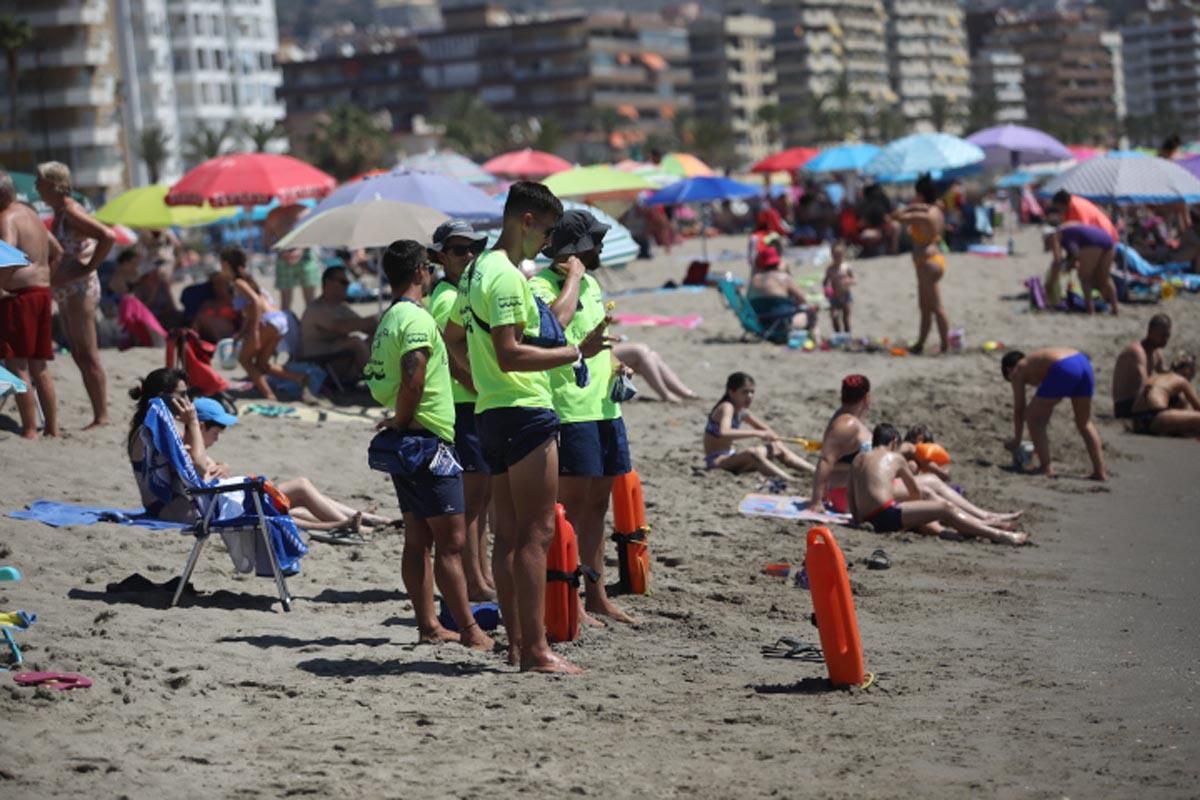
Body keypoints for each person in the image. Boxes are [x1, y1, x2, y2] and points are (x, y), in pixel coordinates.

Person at [443, 181, 608, 674]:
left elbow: (452, 336)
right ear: (527, 221)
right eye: (548, 231)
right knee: (534, 537)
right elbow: (511, 352)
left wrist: (477, 380)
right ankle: (535, 650)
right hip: (524, 411)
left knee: (509, 537)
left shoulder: (474, 271)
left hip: (491, 412)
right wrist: (576, 352)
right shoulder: (507, 276)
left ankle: (517, 645)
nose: (548, 243)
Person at [363, 240, 493, 651]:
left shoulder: (391, 317)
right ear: (421, 270)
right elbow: (413, 378)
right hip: (426, 440)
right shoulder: (415, 320)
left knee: (418, 539)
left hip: (412, 439)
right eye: (429, 266)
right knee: (451, 543)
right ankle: (471, 632)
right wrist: (403, 423)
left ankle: (429, 625)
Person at [531, 209, 636, 624]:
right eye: (594, 241)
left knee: (598, 506)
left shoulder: (592, 283)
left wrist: (616, 365)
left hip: (606, 407)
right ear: (574, 249)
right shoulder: (541, 285)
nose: (601, 247)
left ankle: (596, 592)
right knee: (569, 510)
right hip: (570, 410)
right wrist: (570, 277)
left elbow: (592, 341)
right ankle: (567, 593)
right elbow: (552, 329)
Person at [191, 397, 391, 533]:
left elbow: (207, 473)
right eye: (215, 433)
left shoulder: (196, 451)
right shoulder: (191, 451)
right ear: (200, 426)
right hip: (231, 507)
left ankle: (365, 518)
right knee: (301, 486)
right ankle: (353, 524)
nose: (217, 439)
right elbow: (202, 481)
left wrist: (223, 465)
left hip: (234, 502)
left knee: (301, 506)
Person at [426, 219, 494, 601]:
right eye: (458, 250)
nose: (468, 255)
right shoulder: (448, 297)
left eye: (473, 249)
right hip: (464, 405)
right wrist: (479, 386)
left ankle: (480, 575)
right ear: (440, 256)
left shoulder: (460, 291)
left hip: (471, 404)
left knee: (481, 502)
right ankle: (474, 580)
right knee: (471, 503)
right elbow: (450, 354)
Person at [848, 424, 1028, 545]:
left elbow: (851, 493)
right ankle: (998, 535)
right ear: (894, 442)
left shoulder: (858, 459)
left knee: (939, 506)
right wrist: (920, 509)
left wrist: (858, 520)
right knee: (944, 507)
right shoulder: (896, 457)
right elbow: (915, 493)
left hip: (867, 518)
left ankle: (980, 526)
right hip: (885, 516)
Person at [37, 161, 115, 429]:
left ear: (52, 184)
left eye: (40, 181)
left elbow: (107, 235)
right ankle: (98, 413)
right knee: (79, 353)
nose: (36, 186)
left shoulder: (70, 210)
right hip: (69, 289)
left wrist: (89, 266)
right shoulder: (61, 211)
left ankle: (102, 415)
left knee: (88, 353)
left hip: (80, 288)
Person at [0, 170, 61, 439]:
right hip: (41, 293)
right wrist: (46, 276)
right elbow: (57, 250)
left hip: (20, 297)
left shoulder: (6, 218)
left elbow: (6, 253)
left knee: (17, 365)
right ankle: (52, 428)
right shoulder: (31, 215)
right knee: (40, 366)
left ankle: (29, 428)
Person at [223, 247, 315, 402]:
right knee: (262, 364)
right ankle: (300, 378)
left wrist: (254, 332)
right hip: (279, 319)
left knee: (244, 360)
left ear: (225, 264)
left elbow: (256, 302)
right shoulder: (248, 279)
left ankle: (268, 394)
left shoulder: (238, 282)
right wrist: (241, 333)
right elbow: (251, 310)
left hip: (268, 321)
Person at [1001, 348, 1107, 480]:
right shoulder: (1036, 361)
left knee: (1033, 418)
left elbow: (1019, 410)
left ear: (1008, 370)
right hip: (1082, 361)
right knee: (1084, 422)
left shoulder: (1017, 370)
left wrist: (1017, 440)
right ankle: (1100, 471)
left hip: (1063, 366)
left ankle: (1045, 467)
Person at [703, 372, 813, 480]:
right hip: (717, 462)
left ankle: (815, 471)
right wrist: (758, 434)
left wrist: (774, 439)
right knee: (753, 453)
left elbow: (766, 430)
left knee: (776, 447)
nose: (750, 396)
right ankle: (790, 480)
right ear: (731, 392)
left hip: (732, 457)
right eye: (745, 392)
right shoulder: (726, 407)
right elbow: (724, 432)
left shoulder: (742, 411)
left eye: (752, 392)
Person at [896, 174, 949, 355]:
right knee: (925, 308)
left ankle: (945, 345)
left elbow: (899, 216)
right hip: (930, 261)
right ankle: (920, 343)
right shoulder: (936, 210)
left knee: (936, 307)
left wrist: (915, 205)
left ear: (921, 194)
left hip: (927, 263)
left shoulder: (923, 215)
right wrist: (922, 204)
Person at [298, 266, 376, 387]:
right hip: (318, 360)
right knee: (355, 342)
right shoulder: (316, 309)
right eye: (344, 282)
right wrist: (373, 320)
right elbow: (339, 326)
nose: (347, 286)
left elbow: (365, 326)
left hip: (335, 356)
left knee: (376, 340)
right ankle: (378, 383)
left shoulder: (340, 307)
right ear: (329, 283)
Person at [811, 374, 874, 512]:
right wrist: (816, 501)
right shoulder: (846, 424)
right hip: (848, 494)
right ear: (866, 398)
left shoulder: (846, 418)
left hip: (854, 489)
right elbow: (826, 460)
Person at [747, 246, 819, 342]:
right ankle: (818, 341)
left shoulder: (754, 280)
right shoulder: (784, 278)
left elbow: (747, 300)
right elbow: (803, 299)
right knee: (811, 314)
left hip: (760, 323)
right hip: (782, 324)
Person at [1049, 222, 1119, 315]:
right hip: (1107, 240)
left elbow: (1058, 260)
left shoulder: (1055, 236)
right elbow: (1074, 254)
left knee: (1085, 277)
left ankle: (1090, 310)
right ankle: (1115, 309)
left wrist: (1051, 282)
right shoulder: (1069, 228)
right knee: (1105, 278)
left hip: (1091, 243)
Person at [1112, 314, 1171, 420]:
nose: (1165, 339)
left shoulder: (1156, 352)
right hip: (1126, 405)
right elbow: (1144, 383)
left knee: (1179, 394)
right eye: (1162, 335)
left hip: (1139, 399)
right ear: (1150, 332)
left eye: (1167, 335)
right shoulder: (1137, 352)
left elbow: (1165, 374)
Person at [1129, 352, 1200, 436]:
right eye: (1192, 369)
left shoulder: (1157, 376)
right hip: (1157, 416)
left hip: (1136, 420)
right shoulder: (1181, 381)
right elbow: (1198, 407)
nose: (1193, 374)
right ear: (1186, 370)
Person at [610, 341, 697, 403]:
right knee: (640, 351)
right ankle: (665, 394)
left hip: (602, 350)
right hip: (598, 355)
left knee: (652, 356)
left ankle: (684, 393)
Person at [1050, 190, 1118, 240]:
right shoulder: (1070, 206)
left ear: (1061, 204)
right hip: (1101, 234)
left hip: (1106, 234)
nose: (1058, 210)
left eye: (1058, 207)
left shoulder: (1076, 206)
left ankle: (1058, 259)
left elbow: (1083, 228)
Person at [274, 248, 321, 312]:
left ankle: (311, 320)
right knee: (285, 303)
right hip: (284, 257)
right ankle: (286, 320)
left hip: (306, 257)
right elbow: (267, 240)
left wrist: (300, 250)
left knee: (310, 301)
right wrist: (282, 252)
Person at [823, 242, 855, 334]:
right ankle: (837, 333)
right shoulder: (830, 269)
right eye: (835, 256)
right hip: (834, 296)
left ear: (843, 255)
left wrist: (849, 281)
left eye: (839, 256)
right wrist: (826, 289)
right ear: (831, 255)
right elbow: (825, 281)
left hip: (845, 295)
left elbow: (854, 279)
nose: (837, 258)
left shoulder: (846, 267)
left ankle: (847, 334)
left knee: (846, 318)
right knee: (834, 316)